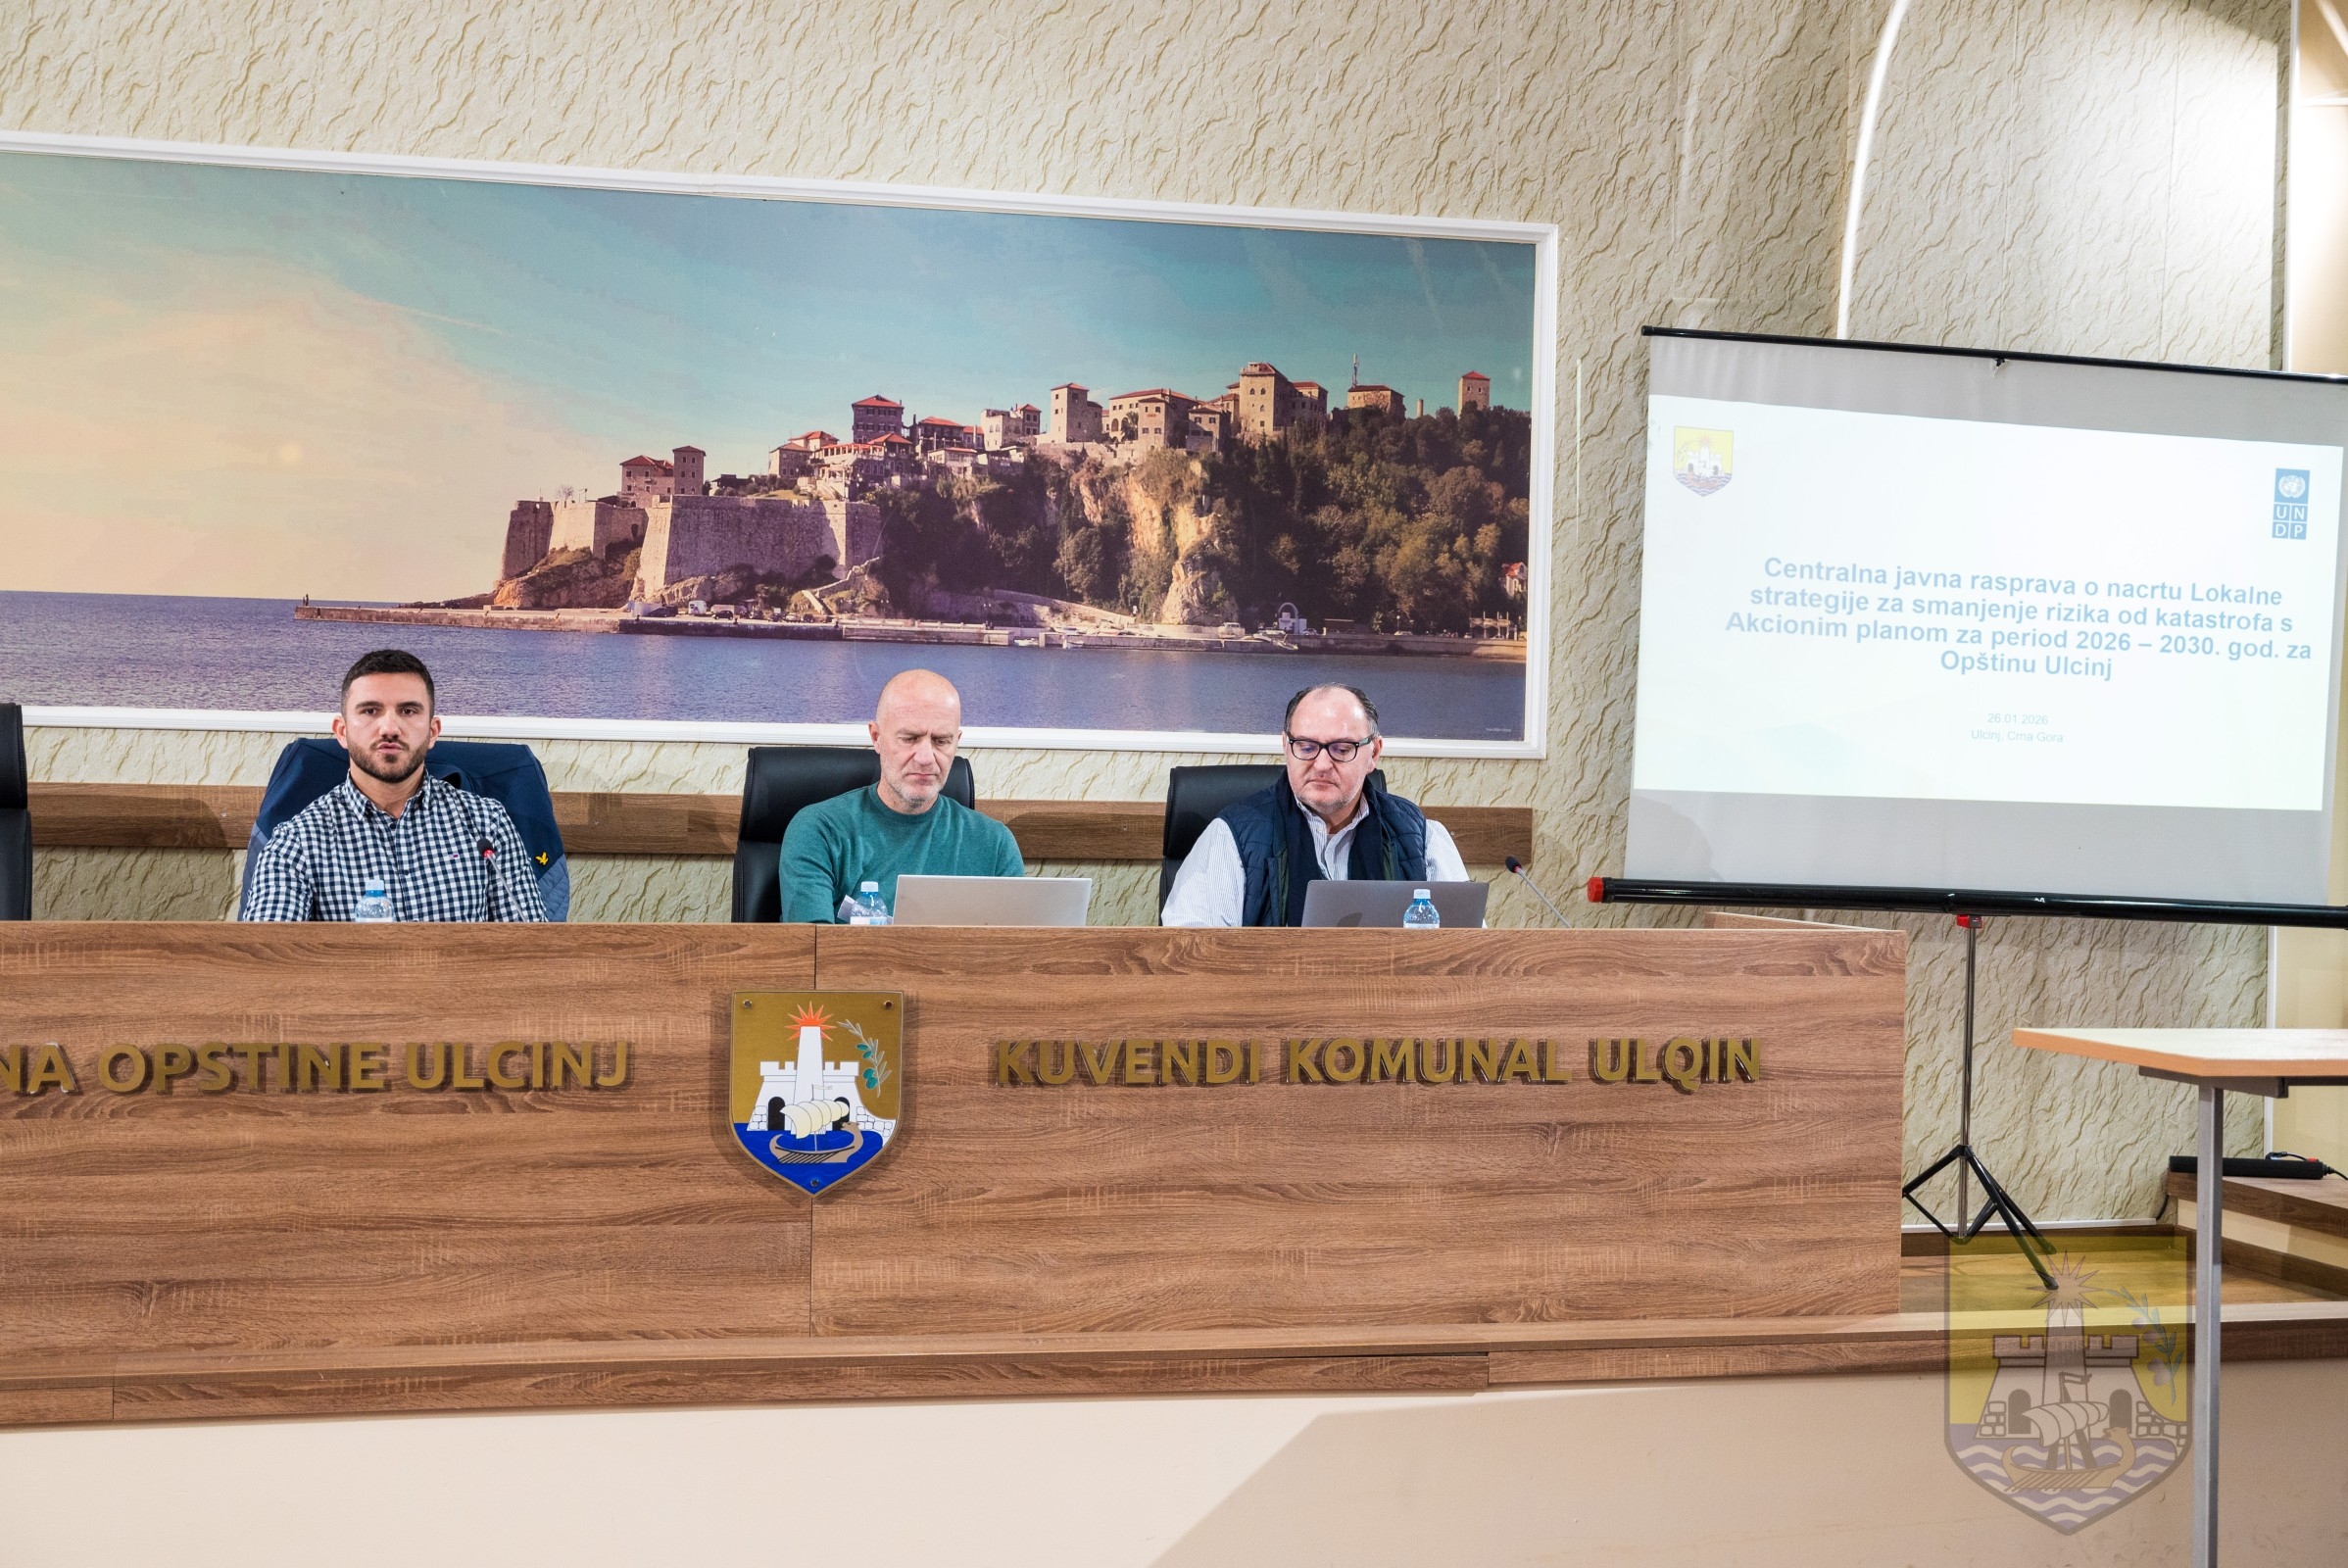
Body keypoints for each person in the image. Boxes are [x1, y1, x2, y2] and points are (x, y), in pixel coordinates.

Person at [239, 650, 548, 922]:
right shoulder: (298, 842)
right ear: (342, 731)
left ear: (433, 731)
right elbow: (268, 961)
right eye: (370, 711)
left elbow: (532, 950)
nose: (389, 728)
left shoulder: (487, 823)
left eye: (408, 711)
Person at [1160, 683, 1469, 927]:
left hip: (1388, 990)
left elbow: (1467, 950)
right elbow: (1192, 953)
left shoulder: (1421, 837)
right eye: (1306, 747)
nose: (1321, 764)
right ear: (1286, 746)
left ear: (1373, 753)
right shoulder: (1231, 837)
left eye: (1341, 749)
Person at [778, 668, 1024, 922]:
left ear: (956, 742)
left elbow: (1019, 944)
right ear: (877, 737)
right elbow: (812, 944)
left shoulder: (995, 843)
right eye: (909, 739)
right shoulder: (819, 830)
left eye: (941, 741)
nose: (926, 758)